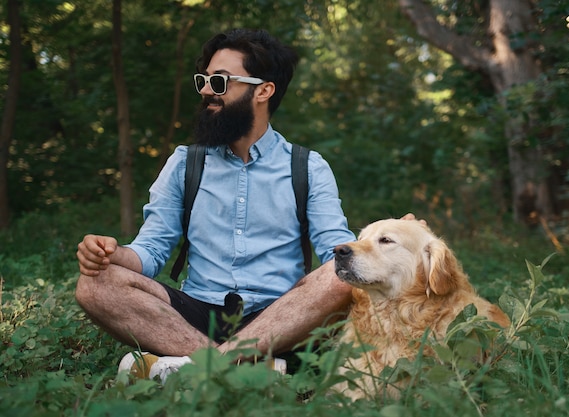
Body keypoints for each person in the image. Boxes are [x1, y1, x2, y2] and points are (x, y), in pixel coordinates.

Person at [75, 28, 357, 378]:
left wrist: (396, 238)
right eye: (204, 81)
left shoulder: (308, 167)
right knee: (95, 283)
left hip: (280, 319)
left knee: (342, 275)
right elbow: (152, 250)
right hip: (195, 316)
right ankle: (245, 372)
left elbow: (338, 251)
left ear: (263, 90)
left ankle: (195, 369)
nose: (207, 91)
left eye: (220, 82)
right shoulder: (184, 163)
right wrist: (111, 254)